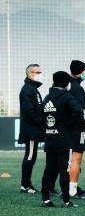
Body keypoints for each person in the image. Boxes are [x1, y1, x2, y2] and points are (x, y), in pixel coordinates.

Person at [40, 71, 84, 208]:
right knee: (65, 170)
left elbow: (42, 116)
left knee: (49, 170)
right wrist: (69, 123)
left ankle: (45, 199)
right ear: (66, 83)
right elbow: (78, 110)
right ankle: (66, 200)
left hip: (50, 138)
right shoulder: (66, 96)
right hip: (64, 140)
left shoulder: (47, 97)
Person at [19, 64, 44, 194]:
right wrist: (41, 122)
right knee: (30, 156)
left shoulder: (33, 89)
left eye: (40, 71)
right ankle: (25, 185)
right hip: (31, 130)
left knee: (32, 156)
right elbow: (28, 110)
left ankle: (27, 184)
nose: (40, 73)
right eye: (37, 71)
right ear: (29, 73)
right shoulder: (27, 90)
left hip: (34, 129)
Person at [68, 60, 85, 200]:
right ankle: (72, 190)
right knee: (76, 159)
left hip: (66, 128)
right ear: (80, 72)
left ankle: (71, 187)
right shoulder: (77, 88)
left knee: (69, 160)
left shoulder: (67, 85)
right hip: (77, 128)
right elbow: (80, 111)